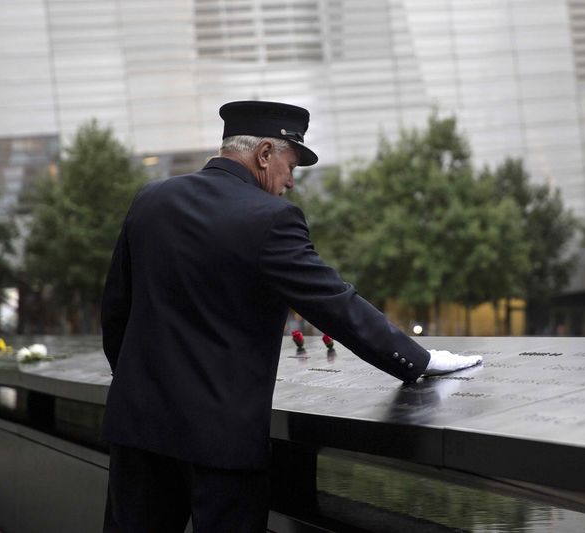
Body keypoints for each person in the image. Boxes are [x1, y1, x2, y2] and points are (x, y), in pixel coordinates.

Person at [100, 101, 482, 532]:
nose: (291, 183)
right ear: (264, 153)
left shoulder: (151, 200)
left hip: (137, 430)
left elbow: (116, 311)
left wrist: (138, 386)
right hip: (221, 444)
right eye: (291, 165)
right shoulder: (270, 219)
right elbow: (335, 304)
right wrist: (418, 360)